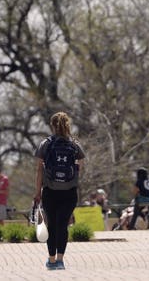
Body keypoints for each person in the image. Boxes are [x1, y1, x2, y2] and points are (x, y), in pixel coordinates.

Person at [34, 111, 86, 270]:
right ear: (67, 124)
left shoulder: (46, 144)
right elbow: (80, 168)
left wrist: (37, 192)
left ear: (52, 125)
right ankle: (61, 260)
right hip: (69, 191)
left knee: (52, 226)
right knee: (62, 225)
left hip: (50, 190)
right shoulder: (75, 144)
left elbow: (39, 170)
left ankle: (51, 260)